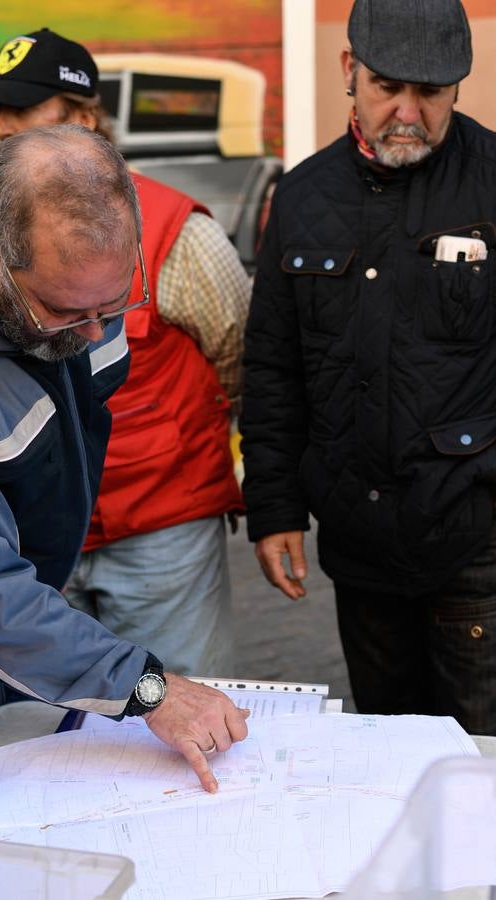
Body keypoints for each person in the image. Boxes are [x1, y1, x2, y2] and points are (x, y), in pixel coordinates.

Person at [0, 124, 249, 783]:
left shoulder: (79, 276)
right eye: (63, 312)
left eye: (114, 307)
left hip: (14, 645)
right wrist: (146, 688)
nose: (92, 333)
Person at [0, 28, 249, 677]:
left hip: (160, 536)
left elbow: (239, 358)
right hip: (36, 534)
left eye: (22, 116)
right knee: (59, 742)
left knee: (183, 712)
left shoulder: (179, 230)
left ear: (85, 119)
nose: (2, 132)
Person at [241, 0, 496, 734]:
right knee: (386, 766)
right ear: (349, 70)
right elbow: (274, 367)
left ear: (457, 88)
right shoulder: (302, 194)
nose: (409, 111)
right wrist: (277, 509)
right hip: (358, 548)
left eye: (432, 92)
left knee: (480, 773)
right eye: (389, 86)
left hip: (475, 544)